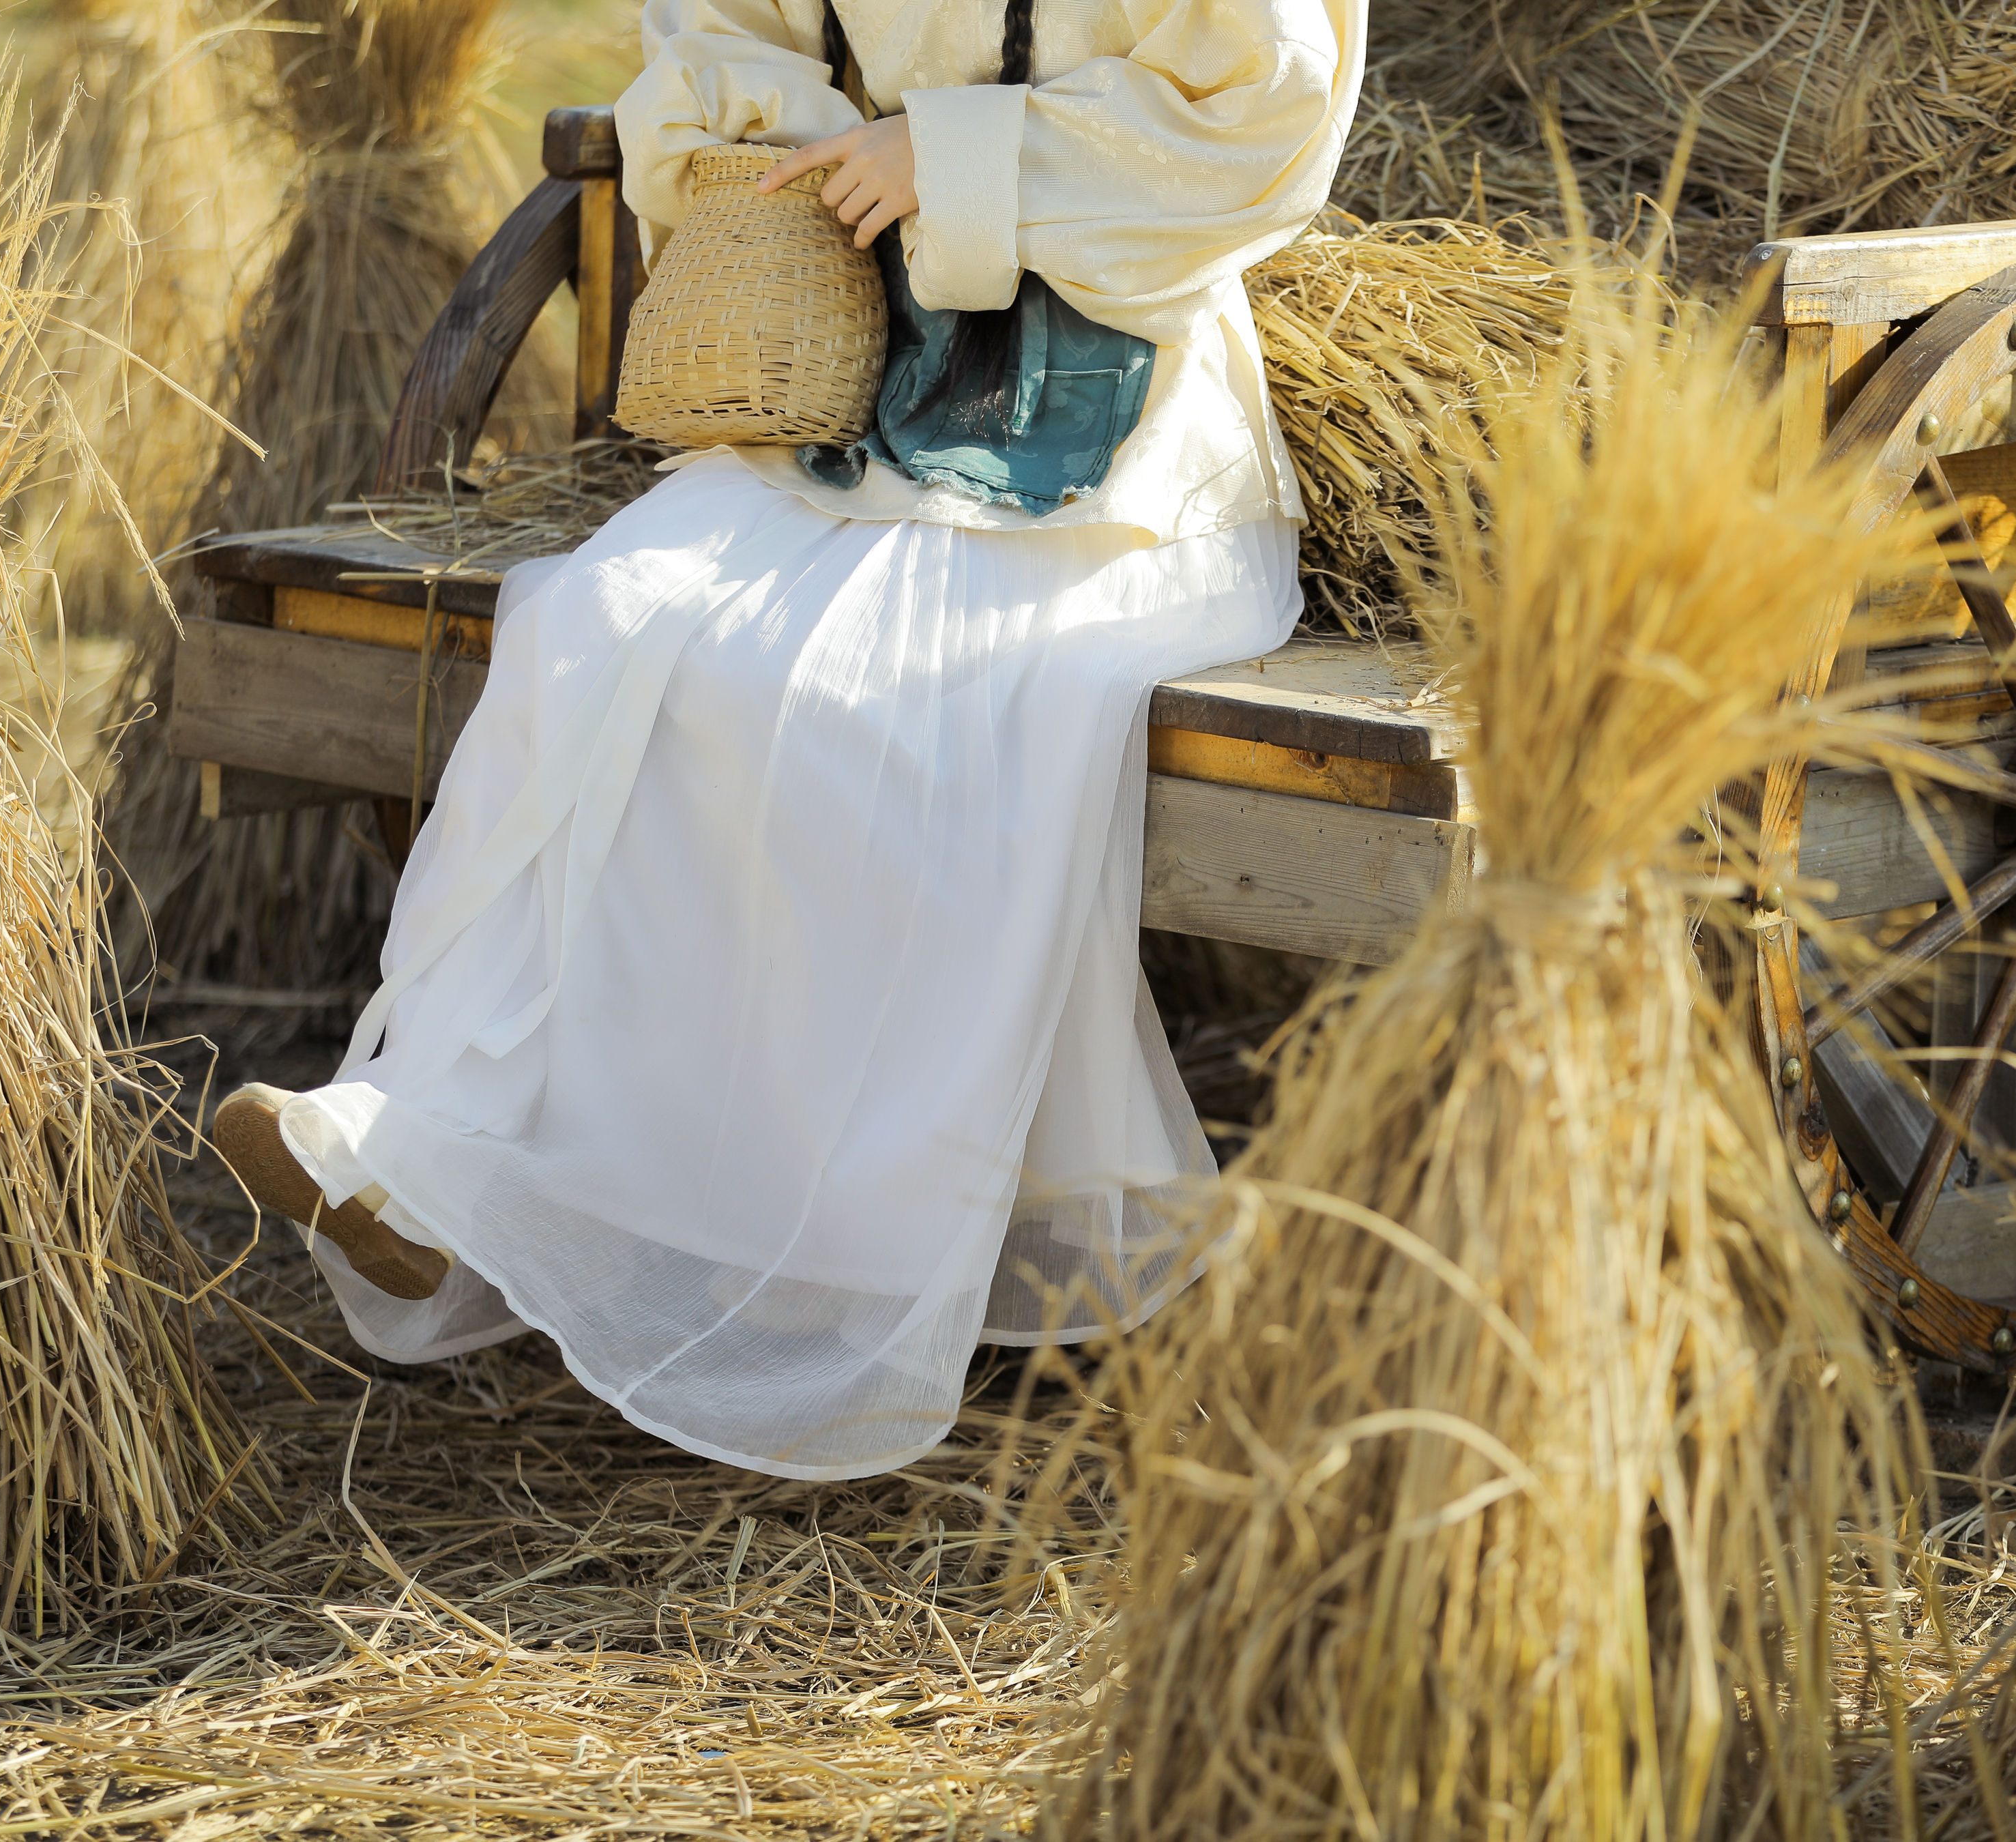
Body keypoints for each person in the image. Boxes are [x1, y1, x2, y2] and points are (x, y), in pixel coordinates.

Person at [214, 0, 1364, 1480]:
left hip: (1119, 444)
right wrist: (820, 148)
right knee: (598, 622)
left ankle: (840, 1244)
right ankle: (431, 1149)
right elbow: (711, 56)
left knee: (865, 699)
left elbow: (1266, 113)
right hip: (857, 386)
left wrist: (957, 157)